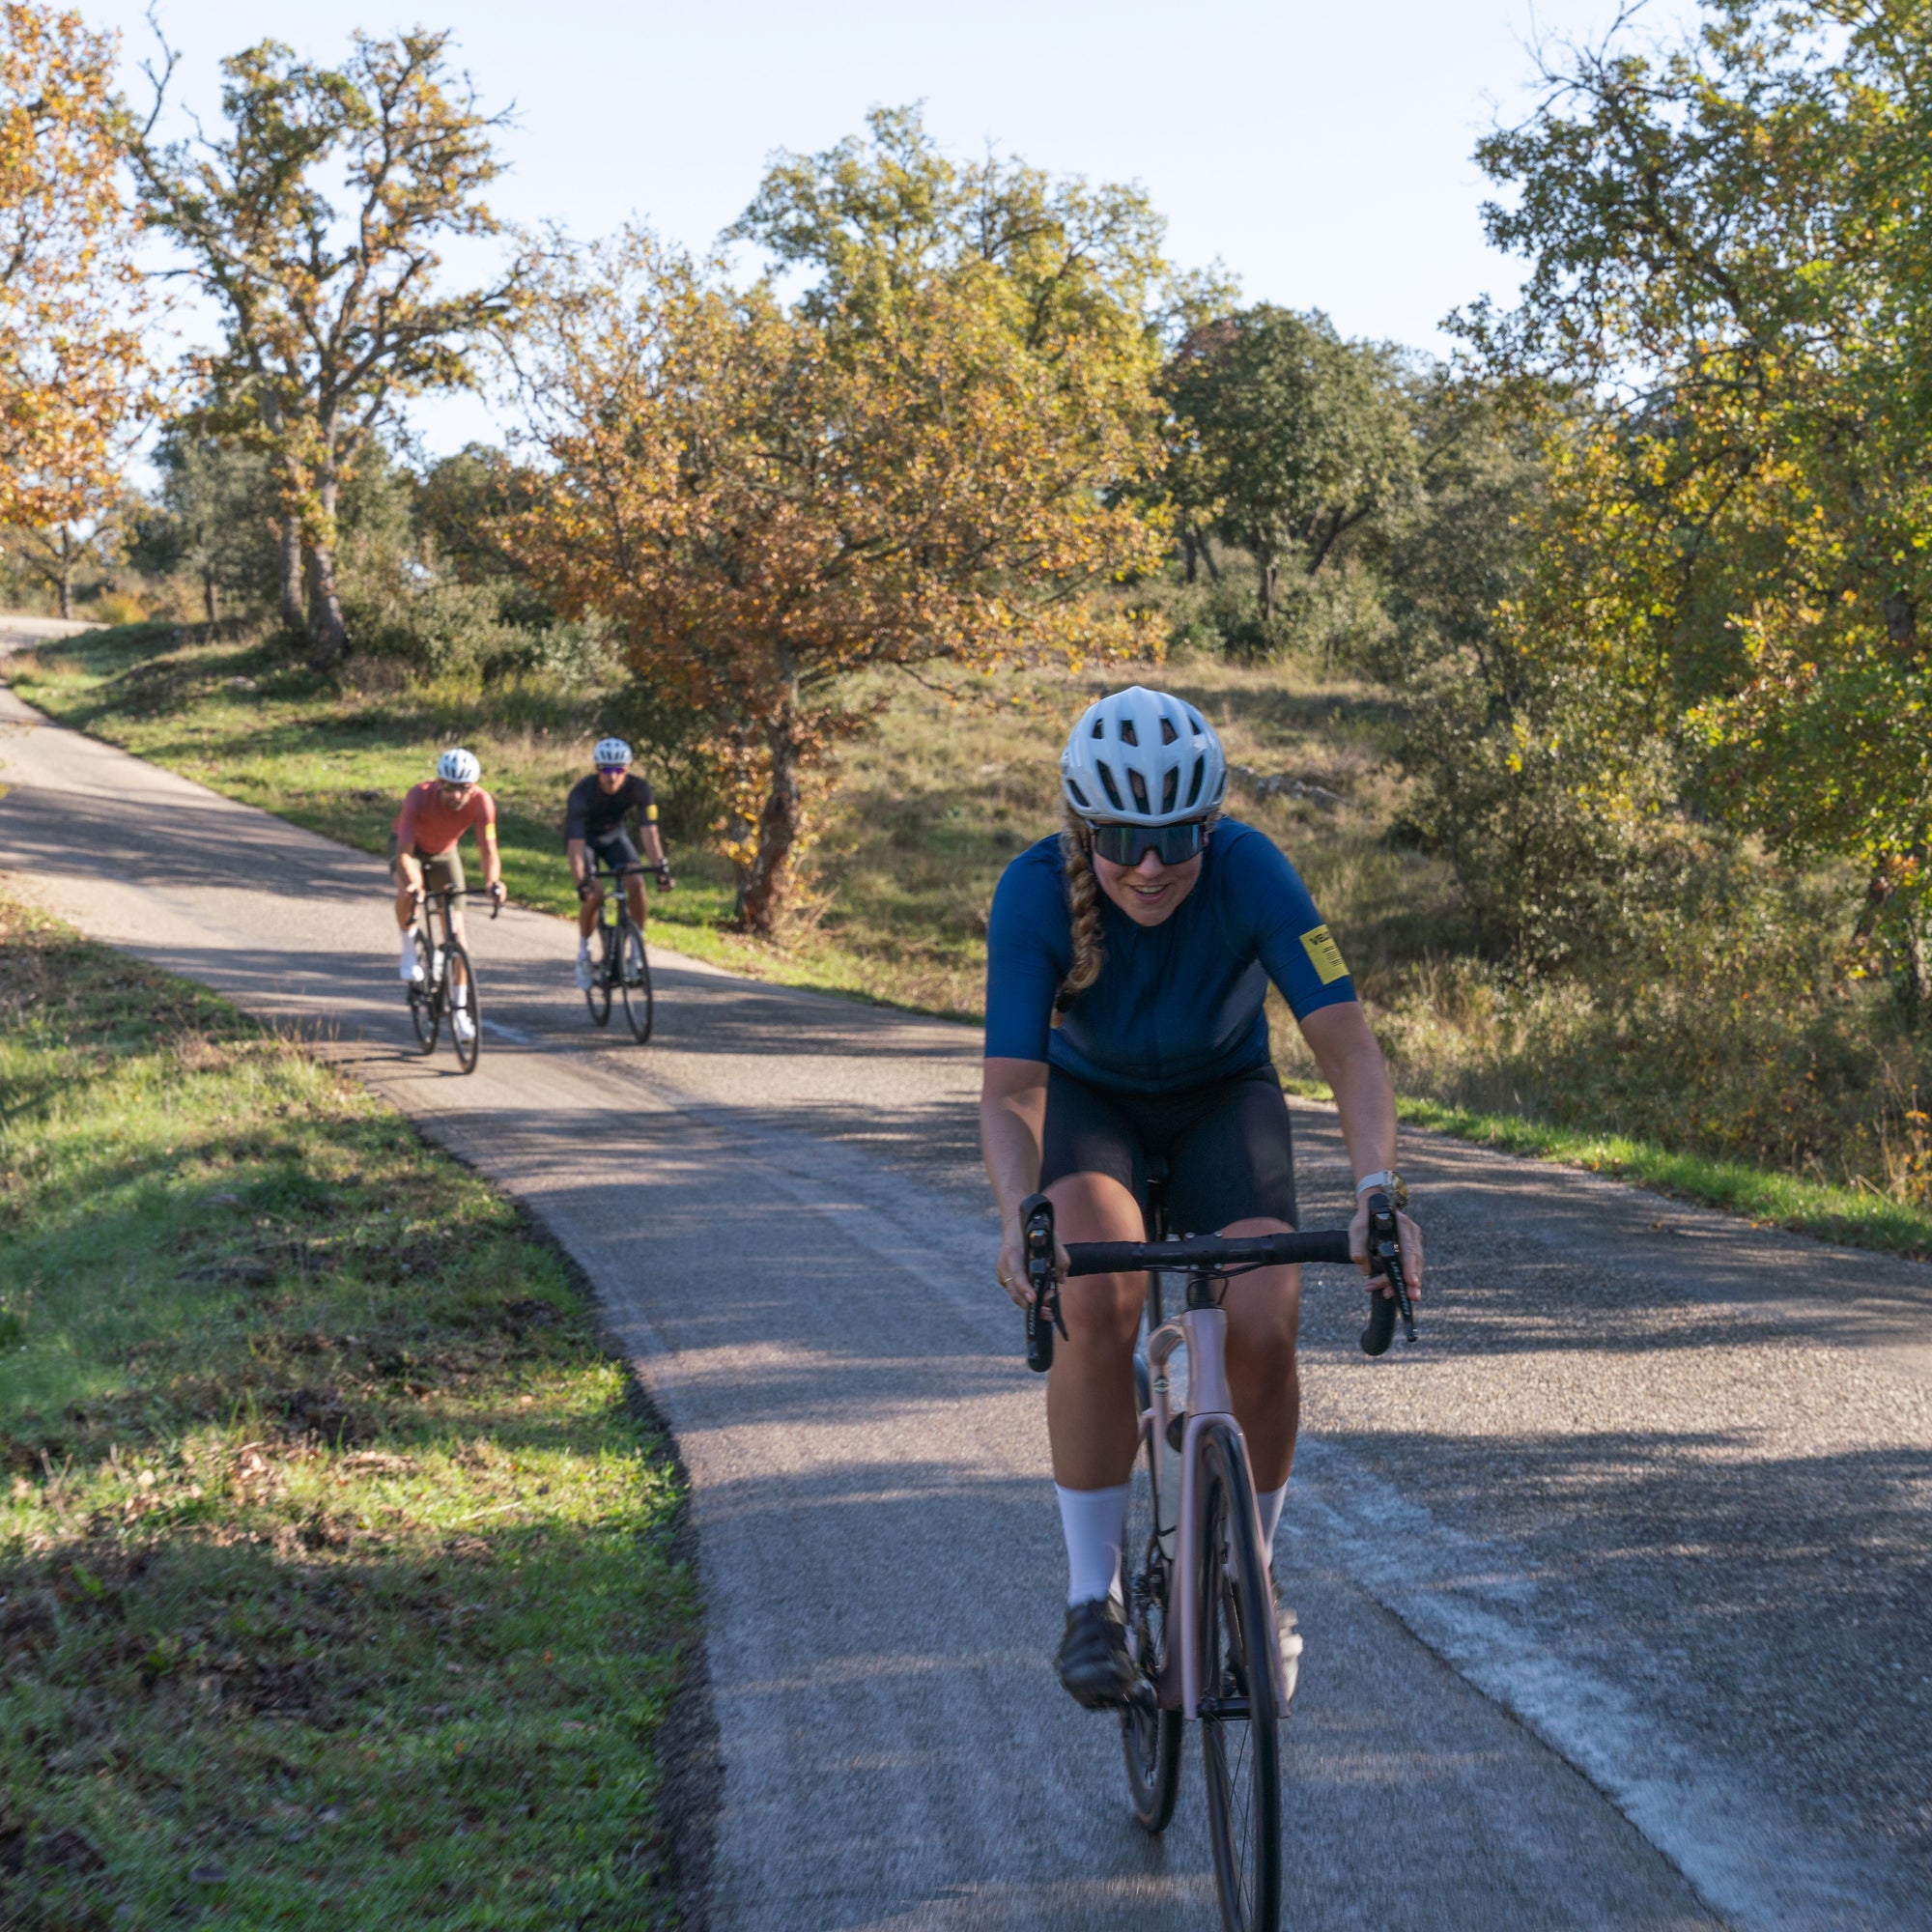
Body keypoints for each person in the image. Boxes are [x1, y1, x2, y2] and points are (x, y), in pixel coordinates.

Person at [980, 686, 1424, 1709]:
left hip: (1226, 1102)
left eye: (1175, 835)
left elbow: (1349, 1050)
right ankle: (1090, 1598)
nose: (1149, 864)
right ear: (1084, 826)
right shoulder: (1032, 892)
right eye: (1123, 838)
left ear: (1209, 823)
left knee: (1265, 1322)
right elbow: (1010, 1092)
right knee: (1095, 1302)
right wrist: (1019, 1214)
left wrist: (1373, 1189)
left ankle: (1248, 1574)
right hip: (1093, 1110)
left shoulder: (1252, 870)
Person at [390, 748, 506, 1044]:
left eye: (463, 789)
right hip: (410, 850)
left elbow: (487, 850)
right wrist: (415, 884)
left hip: (445, 853)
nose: (455, 796)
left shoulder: (483, 803)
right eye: (449, 788)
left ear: (474, 787)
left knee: (458, 938)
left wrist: (493, 882)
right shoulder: (418, 796)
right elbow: (403, 854)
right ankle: (408, 948)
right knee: (410, 890)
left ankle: (459, 1013)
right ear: (439, 782)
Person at [565, 737, 673, 989]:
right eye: (606, 770)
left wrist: (661, 868)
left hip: (615, 837)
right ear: (597, 769)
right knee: (595, 895)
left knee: (636, 881)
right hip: (586, 841)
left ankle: (636, 952)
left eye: (618, 770)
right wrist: (581, 880)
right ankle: (584, 953)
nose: (612, 777)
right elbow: (575, 846)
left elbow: (650, 832)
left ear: (628, 768)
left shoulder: (640, 789)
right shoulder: (581, 794)